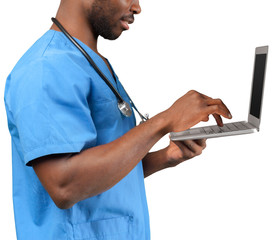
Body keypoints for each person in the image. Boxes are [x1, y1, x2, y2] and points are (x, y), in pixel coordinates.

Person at [4, 0, 232, 239]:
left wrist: (166, 156)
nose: (137, 7)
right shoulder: (44, 69)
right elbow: (65, 185)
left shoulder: (90, 62)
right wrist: (164, 121)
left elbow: (100, 173)